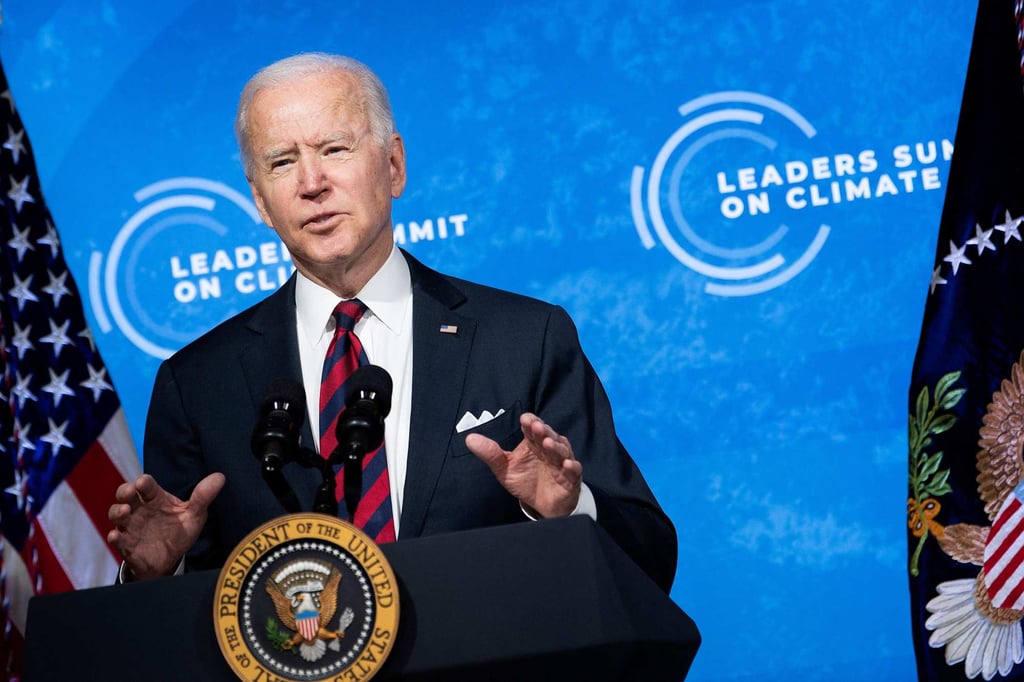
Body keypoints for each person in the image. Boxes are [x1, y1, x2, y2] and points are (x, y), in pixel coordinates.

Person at [107, 52, 677, 593]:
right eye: (283, 162)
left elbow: (648, 556)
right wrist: (159, 571)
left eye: (334, 149)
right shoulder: (199, 383)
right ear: (260, 200)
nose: (311, 183)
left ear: (394, 165)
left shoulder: (524, 339)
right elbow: (172, 632)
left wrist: (563, 511)